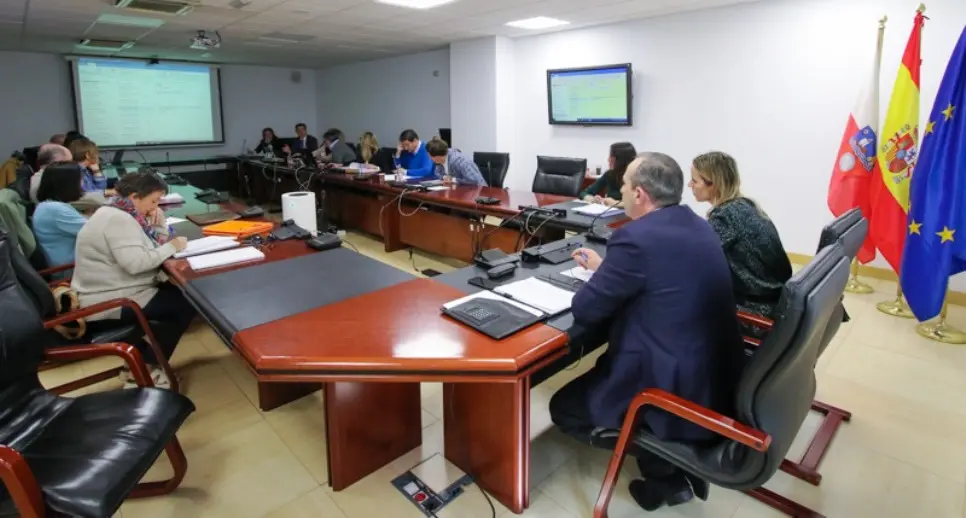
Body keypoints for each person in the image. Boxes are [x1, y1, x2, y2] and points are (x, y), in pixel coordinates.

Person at [550, 152, 745, 512]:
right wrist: (608, 270)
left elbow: (587, 310)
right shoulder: (697, 223)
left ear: (639, 194)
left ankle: (666, 466)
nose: (620, 190)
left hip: (669, 384)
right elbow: (663, 276)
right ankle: (669, 467)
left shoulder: (635, 237)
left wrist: (601, 278)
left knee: (563, 408)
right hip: (714, 376)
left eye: (624, 184)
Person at [71, 172, 193, 389]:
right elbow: (137, 264)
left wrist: (159, 225)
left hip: (114, 291)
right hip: (109, 302)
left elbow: (148, 247)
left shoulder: (116, 212)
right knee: (185, 304)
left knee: (178, 296)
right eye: (153, 201)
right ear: (135, 196)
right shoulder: (118, 219)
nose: (154, 207)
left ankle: (140, 362)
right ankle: (147, 368)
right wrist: (173, 246)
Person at [689, 151, 792, 329]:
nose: (690, 185)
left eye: (695, 180)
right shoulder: (745, 205)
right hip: (775, 298)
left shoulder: (725, 217)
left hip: (757, 310)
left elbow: (693, 262)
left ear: (712, 184)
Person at [32, 162, 87, 268]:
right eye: (80, 179)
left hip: (68, 263)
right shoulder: (56, 210)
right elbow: (96, 231)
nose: (82, 182)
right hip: (68, 268)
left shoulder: (48, 206)